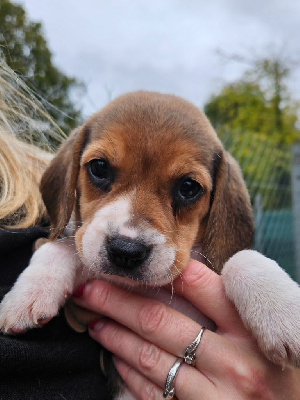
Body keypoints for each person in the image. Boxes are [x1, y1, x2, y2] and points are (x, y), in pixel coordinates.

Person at [0, 58, 299, 400]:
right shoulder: (55, 237)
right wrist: (52, 260)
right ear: (70, 173)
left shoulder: (217, 254)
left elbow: (229, 263)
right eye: (100, 170)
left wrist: (249, 272)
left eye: (187, 189)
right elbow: (60, 241)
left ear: (219, 204)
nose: (129, 238)